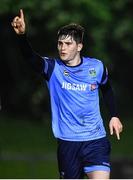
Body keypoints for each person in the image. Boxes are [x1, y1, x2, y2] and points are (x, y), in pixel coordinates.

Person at [11, 9, 123, 179]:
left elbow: (106, 88)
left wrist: (114, 115)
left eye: (68, 44)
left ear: (79, 46)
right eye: (60, 43)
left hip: (95, 140)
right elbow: (31, 59)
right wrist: (22, 36)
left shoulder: (96, 67)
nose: (62, 48)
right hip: (68, 143)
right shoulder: (53, 68)